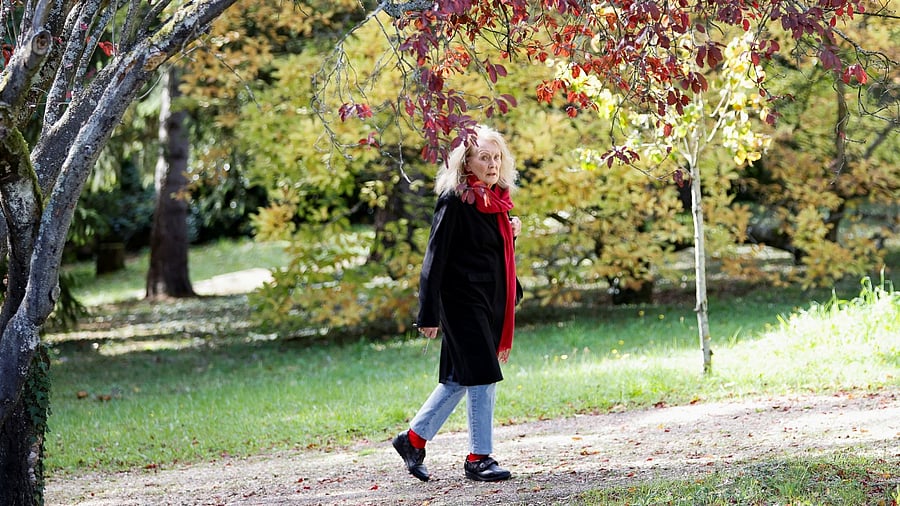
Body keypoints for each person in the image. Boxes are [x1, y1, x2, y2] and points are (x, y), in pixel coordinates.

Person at [392, 124, 523, 483]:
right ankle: (479, 458)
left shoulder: (496, 200)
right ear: (467, 162)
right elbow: (434, 258)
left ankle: (412, 440)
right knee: (482, 375)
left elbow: (490, 255)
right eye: (485, 157)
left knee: (457, 378)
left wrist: (511, 243)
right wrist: (428, 313)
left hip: (486, 300)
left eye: (497, 157)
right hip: (459, 302)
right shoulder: (454, 200)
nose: (493, 164)